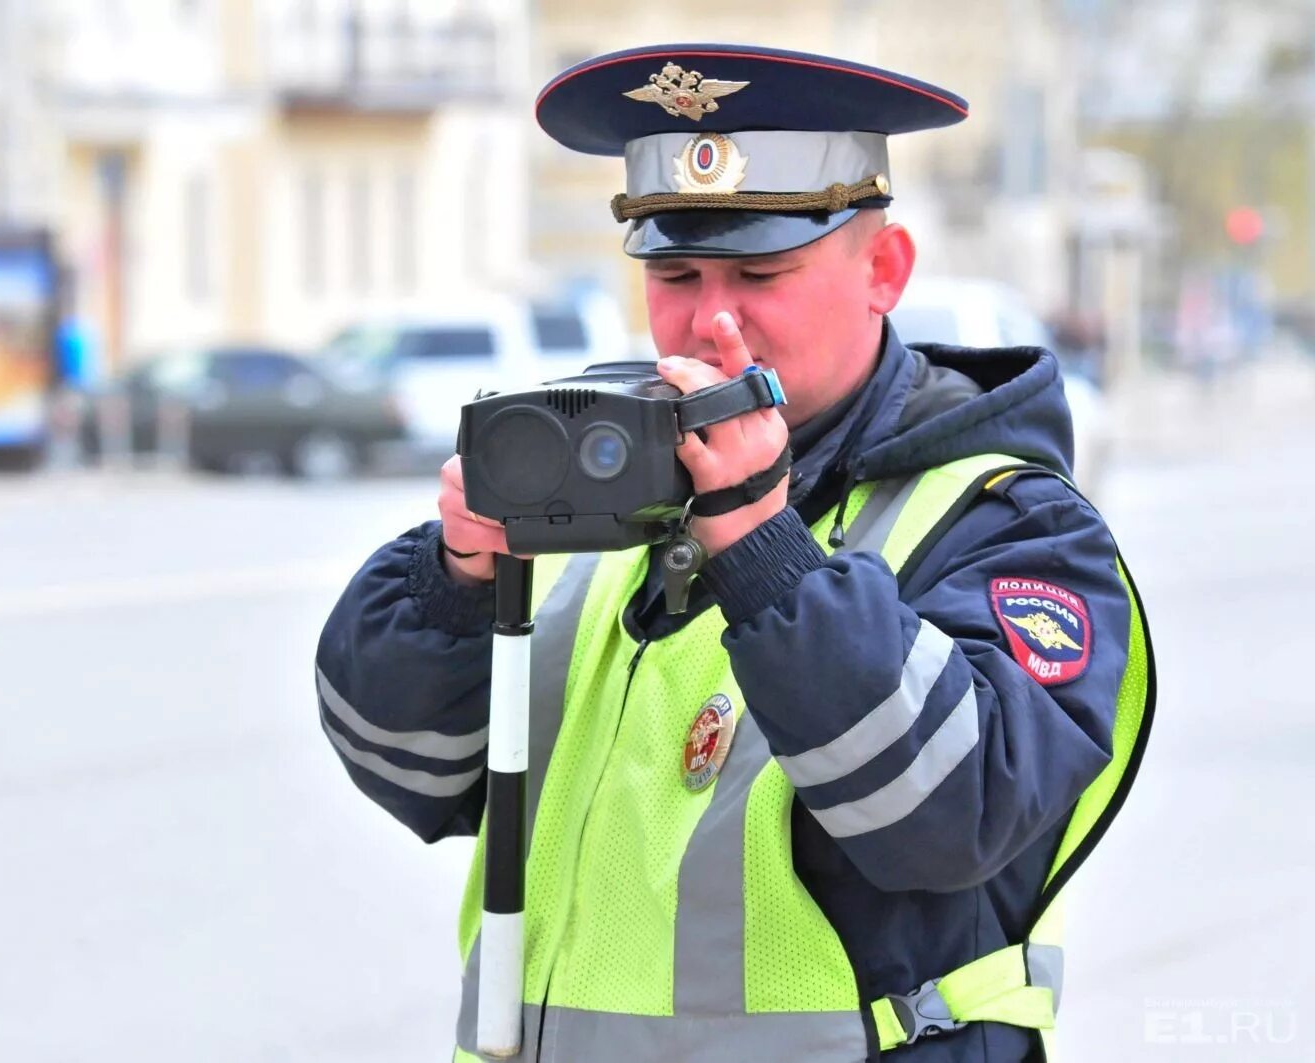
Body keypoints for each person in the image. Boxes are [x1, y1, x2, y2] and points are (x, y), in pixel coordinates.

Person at [315, 43, 1154, 1062]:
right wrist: (454, 584)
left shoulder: (1008, 522)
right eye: (673, 274)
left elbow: (950, 815)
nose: (712, 320)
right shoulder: (603, 483)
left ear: (881, 270)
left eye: (761, 272)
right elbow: (406, 769)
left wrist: (762, 545)